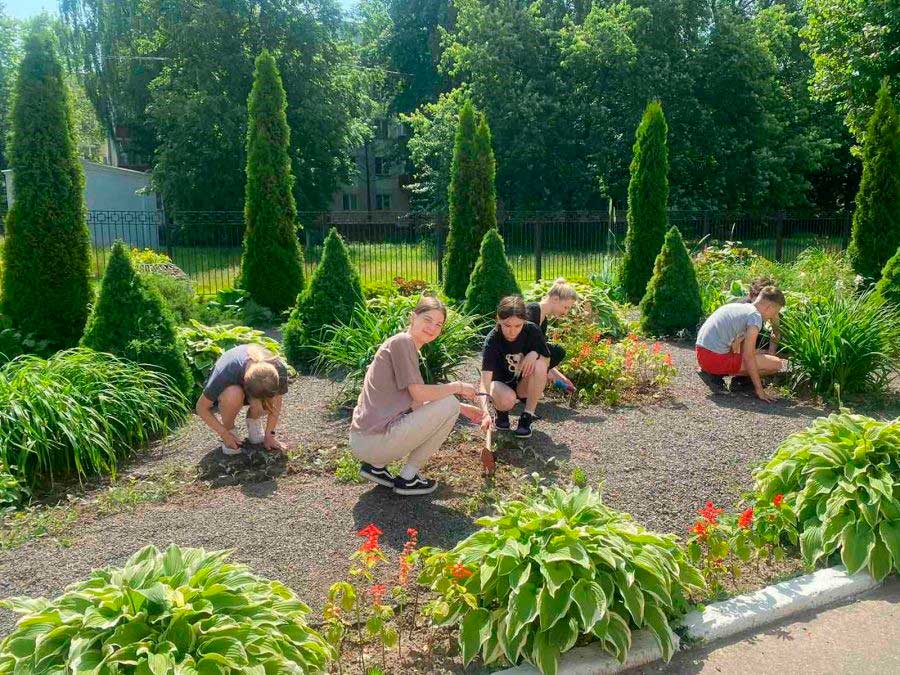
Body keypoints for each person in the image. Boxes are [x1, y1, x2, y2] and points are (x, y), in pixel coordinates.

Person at [349, 296, 485, 496]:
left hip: (364, 440)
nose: (432, 327)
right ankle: (408, 478)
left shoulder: (402, 345)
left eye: (438, 324)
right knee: (449, 403)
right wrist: (458, 387)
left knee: (451, 404)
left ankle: (376, 467)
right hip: (373, 441)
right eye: (427, 320)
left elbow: (416, 402)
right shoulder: (403, 343)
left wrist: (462, 409)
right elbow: (419, 393)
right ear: (413, 317)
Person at [477, 295, 552, 438]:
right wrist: (484, 411)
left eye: (518, 325)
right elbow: (484, 382)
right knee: (507, 400)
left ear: (524, 321)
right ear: (498, 319)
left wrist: (534, 354)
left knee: (540, 364)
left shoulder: (532, 330)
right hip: (500, 387)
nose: (512, 331)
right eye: (507, 325)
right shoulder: (492, 341)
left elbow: (547, 360)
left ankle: (527, 416)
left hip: (523, 385)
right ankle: (501, 413)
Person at [696, 286, 787, 402]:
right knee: (776, 364)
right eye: (775, 312)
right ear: (768, 308)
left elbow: (743, 348)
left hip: (702, 353)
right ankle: (716, 375)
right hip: (714, 359)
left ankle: (714, 374)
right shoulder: (755, 317)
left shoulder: (739, 307)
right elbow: (748, 357)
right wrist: (760, 391)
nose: (774, 316)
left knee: (760, 354)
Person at [196, 344, 289, 454]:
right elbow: (201, 408)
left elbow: (277, 402)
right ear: (245, 385)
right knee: (233, 395)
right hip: (230, 388)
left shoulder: (278, 369)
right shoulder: (226, 373)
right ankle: (230, 431)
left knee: (269, 400)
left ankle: (253, 422)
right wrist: (224, 434)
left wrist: (270, 434)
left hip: (254, 387)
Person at [525, 278, 577, 393]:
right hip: (512, 360)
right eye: (565, 307)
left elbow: (542, 352)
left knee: (557, 351)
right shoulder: (531, 312)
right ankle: (523, 387)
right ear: (555, 299)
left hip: (527, 361)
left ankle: (530, 385)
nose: (566, 312)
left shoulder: (543, 321)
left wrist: (561, 378)